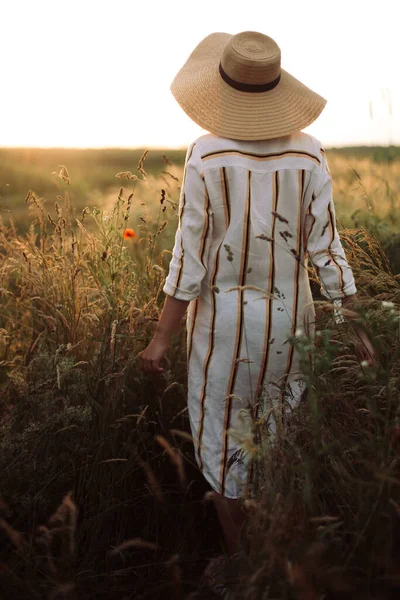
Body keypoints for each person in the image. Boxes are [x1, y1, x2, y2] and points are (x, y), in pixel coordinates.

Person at [139, 31, 376, 559]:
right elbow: (328, 250)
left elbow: (189, 260)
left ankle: (245, 564)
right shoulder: (310, 154)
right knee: (284, 443)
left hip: (220, 333)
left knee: (225, 447)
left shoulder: (205, 154)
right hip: (295, 327)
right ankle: (282, 566)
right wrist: (357, 324)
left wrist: (160, 341)